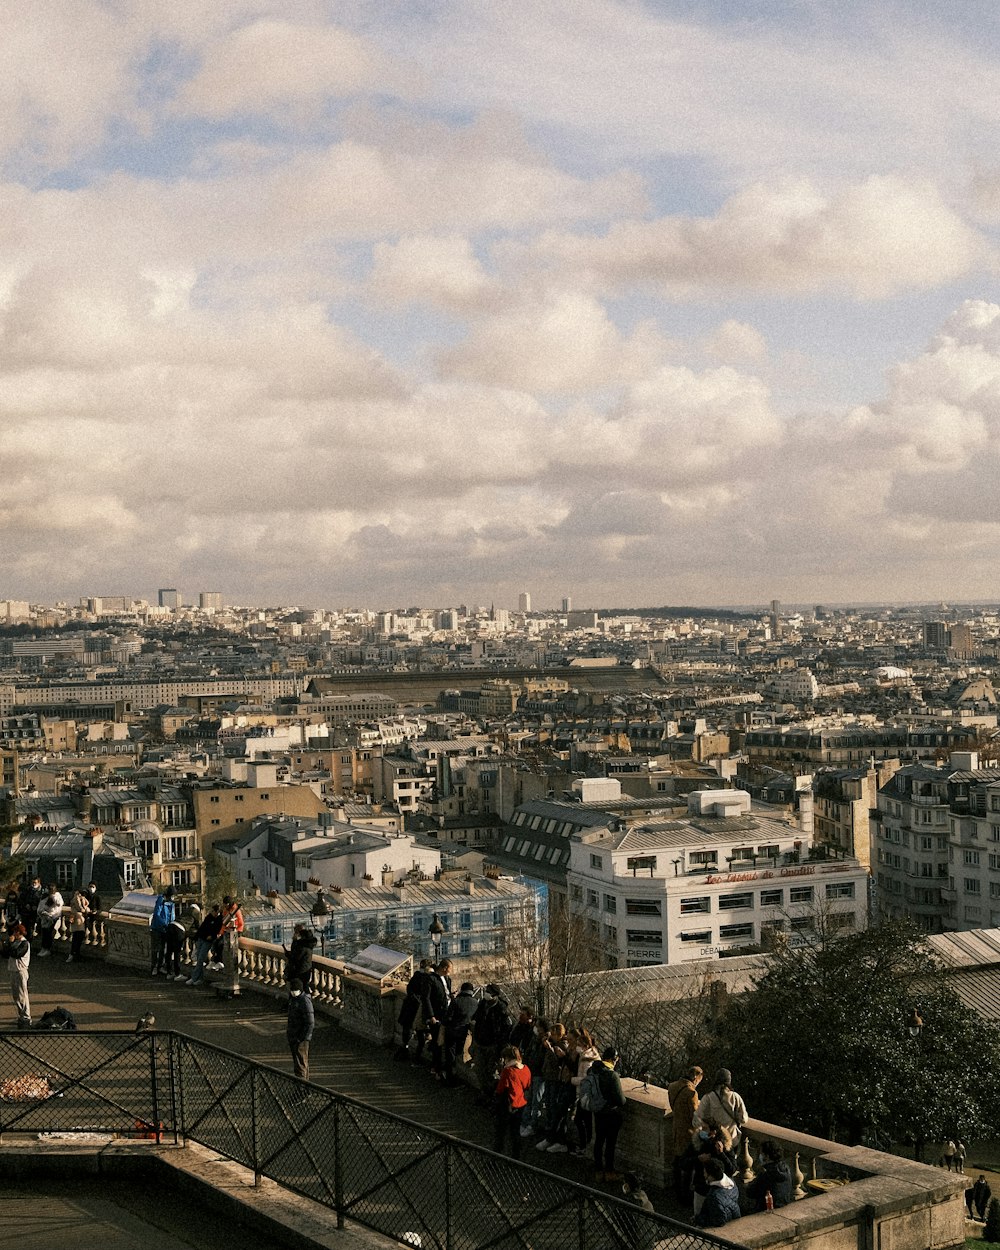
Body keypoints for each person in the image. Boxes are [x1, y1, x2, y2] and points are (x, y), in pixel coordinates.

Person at [471, 983, 512, 1101]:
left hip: (492, 1045)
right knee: (479, 1069)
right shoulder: (483, 1004)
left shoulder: (501, 1009)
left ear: (495, 995)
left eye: (489, 992)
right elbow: (476, 1018)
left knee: (490, 1071)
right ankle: (484, 1092)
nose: (486, 994)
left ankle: (491, 1095)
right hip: (480, 1042)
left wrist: (500, 1046)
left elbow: (505, 1028)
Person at [667, 1065, 703, 1201]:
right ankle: (685, 1194)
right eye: (699, 1081)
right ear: (695, 1077)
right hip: (688, 1133)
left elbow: (673, 1106)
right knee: (688, 1164)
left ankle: (677, 1190)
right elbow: (694, 1117)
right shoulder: (692, 1093)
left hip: (676, 1127)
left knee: (677, 1161)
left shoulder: (672, 1086)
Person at [592, 1046, 627, 1182]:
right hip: (610, 1113)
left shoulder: (593, 1070)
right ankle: (610, 1171)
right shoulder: (612, 1075)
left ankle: (598, 1170)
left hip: (597, 1111)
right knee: (610, 1144)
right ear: (615, 1059)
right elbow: (621, 1100)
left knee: (599, 1141)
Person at [493, 1044, 531, 1159]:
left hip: (507, 1105)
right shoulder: (526, 1069)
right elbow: (527, 1085)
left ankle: (496, 1155)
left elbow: (500, 1089)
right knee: (515, 1132)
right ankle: (516, 1156)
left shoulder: (508, 1071)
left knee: (500, 1132)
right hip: (520, 1104)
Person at [694, 1068, 748, 1143]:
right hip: (731, 1140)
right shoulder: (735, 1097)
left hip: (713, 1140)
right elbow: (743, 1119)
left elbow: (696, 1120)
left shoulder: (708, 1097)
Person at [569, 1027, 601, 1156]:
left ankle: (584, 1146)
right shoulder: (589, 1056)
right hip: (586, 1094)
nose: (577, 1047)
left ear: (585, 1045)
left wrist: (573, 1080)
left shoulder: (587, 1060)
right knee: (584, 1121)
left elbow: (586, 1079)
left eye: (579, 1045)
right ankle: (585, 1146)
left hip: (585, 1094)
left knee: (580, 1120)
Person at [396, 958, 433, 1061]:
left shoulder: (416, 976)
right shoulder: (427, 978)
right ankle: (415, 1056)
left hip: (409, 1006)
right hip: (417, 1008)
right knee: (419, 1031)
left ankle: (405, 1049)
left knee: (407, 1029)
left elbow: (409, 989)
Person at [442, 981, 478, 1086]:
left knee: (450, 1055)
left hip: (451, 1032)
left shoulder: (456, 1001)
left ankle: (450, 1078)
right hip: (464, 1033)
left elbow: (448, 1018)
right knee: (459, 1055)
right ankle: (456, 1077)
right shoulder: (475, 1003)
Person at [747, 1139, 794, 1211]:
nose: (760, 1156)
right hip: (784, 1206)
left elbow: (750, 1192)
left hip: (766, 1209)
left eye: (762, 1153)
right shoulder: (786, 1168)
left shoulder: (766, 1174)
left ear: (767, 1156)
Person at [426, 958, 453, 1077]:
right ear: (444, 968)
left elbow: (446, 993)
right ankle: (436, 1067)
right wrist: (431, 1015)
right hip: (436, 1016)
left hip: (445, 1014)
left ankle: (438, 1067)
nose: (451, 972)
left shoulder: (447, 979)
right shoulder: (431, 979)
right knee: (437, 1042)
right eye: (450, 969)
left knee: (442, 1042)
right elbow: (426, 998)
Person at [696, 1158, 741, 1228]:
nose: (704, 1174)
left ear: (711, 1175)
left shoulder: (714, 1196)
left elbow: (718, 1221)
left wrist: (698, 1219)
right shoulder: (732, 1183)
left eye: (705, 1172)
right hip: (734, 1219)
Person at [1, 923, 31, 1028]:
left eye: (15, 932)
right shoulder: (15, 942)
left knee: (22, 995)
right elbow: (5, 954)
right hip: (13, 970)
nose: (14, 934)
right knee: (16, 996)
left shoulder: (25, 943)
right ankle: (21, 1016)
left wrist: (9, 943)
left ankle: (26, 1017)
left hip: (21, 971)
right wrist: (6, 944)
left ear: (19, 933)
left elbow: (16, 954)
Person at [186, 903, 224, 985]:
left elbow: (216, 930)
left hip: (207, 941)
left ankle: (194, 977)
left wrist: (212, 936)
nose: (213, 912)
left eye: (214, 911)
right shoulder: (209, 918)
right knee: (199, 959)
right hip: (201, 939)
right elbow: (202, 928)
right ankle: (199, 978)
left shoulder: (218, 920)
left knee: (200, 959)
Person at [286, 977, 315, 1082]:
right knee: (299, 1062)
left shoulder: (304, 1001)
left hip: (300, 1038)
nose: (293, 992)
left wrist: (302, 1037)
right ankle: (303, 1085)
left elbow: (310, 1023)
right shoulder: (296, 999)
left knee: (301, 1064)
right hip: (295, 1036)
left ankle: (302, 1087)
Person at [149, 885, 176, 975]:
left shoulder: (171, 903)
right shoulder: (161, 900)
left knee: (163, 949)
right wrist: (164, 924)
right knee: (156, 949)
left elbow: (172, 916)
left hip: (165, 929)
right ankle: (154, 967)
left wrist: (171, 924)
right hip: (157, 928)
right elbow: (157, 914)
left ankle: (160, 966)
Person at [283, 923, 316, 993]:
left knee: (299, 989)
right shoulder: (307, 944)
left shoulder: (303, 946)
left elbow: (295, 957)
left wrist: (288, 954)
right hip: (305, 970)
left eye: (296, 932)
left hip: (300, 971)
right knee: (303, 988)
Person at [36, 884, 64, 957]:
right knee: (44, 933)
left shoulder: (57, 895)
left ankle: (47, 949)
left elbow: (59, 904)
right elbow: (41, 905)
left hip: (53, 917)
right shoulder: (44, 896)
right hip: (44, 916)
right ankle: (43, 948)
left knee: (48, 933)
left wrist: (53, 896)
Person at [66, 887, 90, 962]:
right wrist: (86, 909)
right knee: (77, 939)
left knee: (77, 939)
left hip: (79, 921)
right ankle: (73, 954)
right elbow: (81, 908)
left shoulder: (77, 899)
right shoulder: (77, 899)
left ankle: (75, 954)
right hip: (78, 921)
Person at [18, 876, 42, 941]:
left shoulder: (42, 892)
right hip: (26, 913)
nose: (33, 884)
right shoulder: (28, 890)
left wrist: (37, 907)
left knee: (31, 930)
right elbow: (21, 899)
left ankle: (29, 944)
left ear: (39, 883)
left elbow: (43, 903)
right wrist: (26, 904)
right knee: (23, 928)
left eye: (35, 882)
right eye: (32, 882)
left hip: (35, 914)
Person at [164, 914, 187, 980]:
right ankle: (178, 974)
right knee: (177, 953)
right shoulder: (195, 913)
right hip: (179, 929)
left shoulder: (185, 912)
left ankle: (169, 973)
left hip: (171, 925)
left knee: (169, 951)